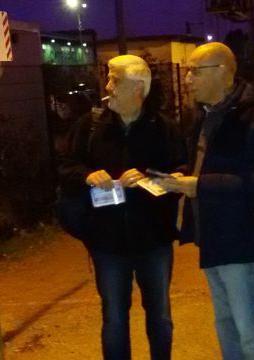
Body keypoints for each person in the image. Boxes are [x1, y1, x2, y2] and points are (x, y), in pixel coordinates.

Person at [160, 42, 254, 359]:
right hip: (214, 235)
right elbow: (202, 163)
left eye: (195, 71)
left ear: (222, 72)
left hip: (241, 237)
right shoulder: (205, 115)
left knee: (250, 330)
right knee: (226, 325)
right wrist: (181, 176)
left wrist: (200, 186)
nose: (188, 79)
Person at [57, 55, 185, 360]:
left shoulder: (164, 127)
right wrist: (87, 176)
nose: (108, 86)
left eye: (115, 80)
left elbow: (182, 170)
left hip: (154, 240)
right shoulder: (90, 125)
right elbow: (64, 165)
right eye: (109, 78)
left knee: (161, 318)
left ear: (137, 89)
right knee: (114, 319)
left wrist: (147, 177)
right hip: (107, 242)